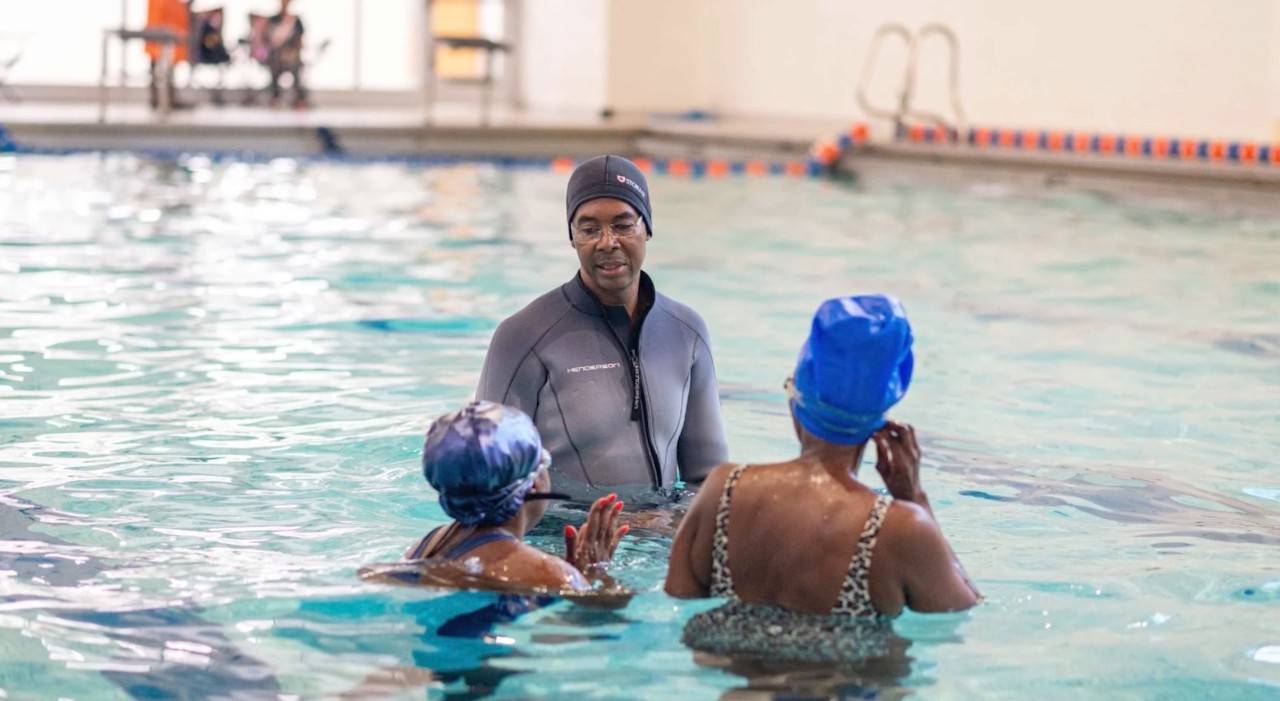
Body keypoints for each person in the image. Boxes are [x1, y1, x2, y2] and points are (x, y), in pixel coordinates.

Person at [665, 294, 979, 661]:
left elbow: (678, 598)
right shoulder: (901, 529)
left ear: (797, 399)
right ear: (882, 414)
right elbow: (960, 614)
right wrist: (916, 500)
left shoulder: (724, 489)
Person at [476, 155, 728, 498]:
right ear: (572, 237)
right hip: (559, 546)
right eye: (589, 229)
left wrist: (664, 526)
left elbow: (709, 480)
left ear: (647, 228)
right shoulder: (523, 338)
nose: (607, 242)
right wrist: (606, 523)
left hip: (658, 545)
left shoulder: (687, 333)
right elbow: (491, 487)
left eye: (623, 225)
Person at [394, 401, 629, 593]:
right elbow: (591, 631)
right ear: (534, 484)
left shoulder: (421, 549)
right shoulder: (551, 575)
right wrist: (593, 575)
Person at [265, 0, 308, 108]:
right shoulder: (272, 20)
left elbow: (300, 42)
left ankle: (299, 99)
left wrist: (292, 52)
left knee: (296, 67)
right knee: (274, 65)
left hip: (292, 56)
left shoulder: (295, 20)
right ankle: (275, 97)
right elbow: (267, 40)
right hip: (276, 57)